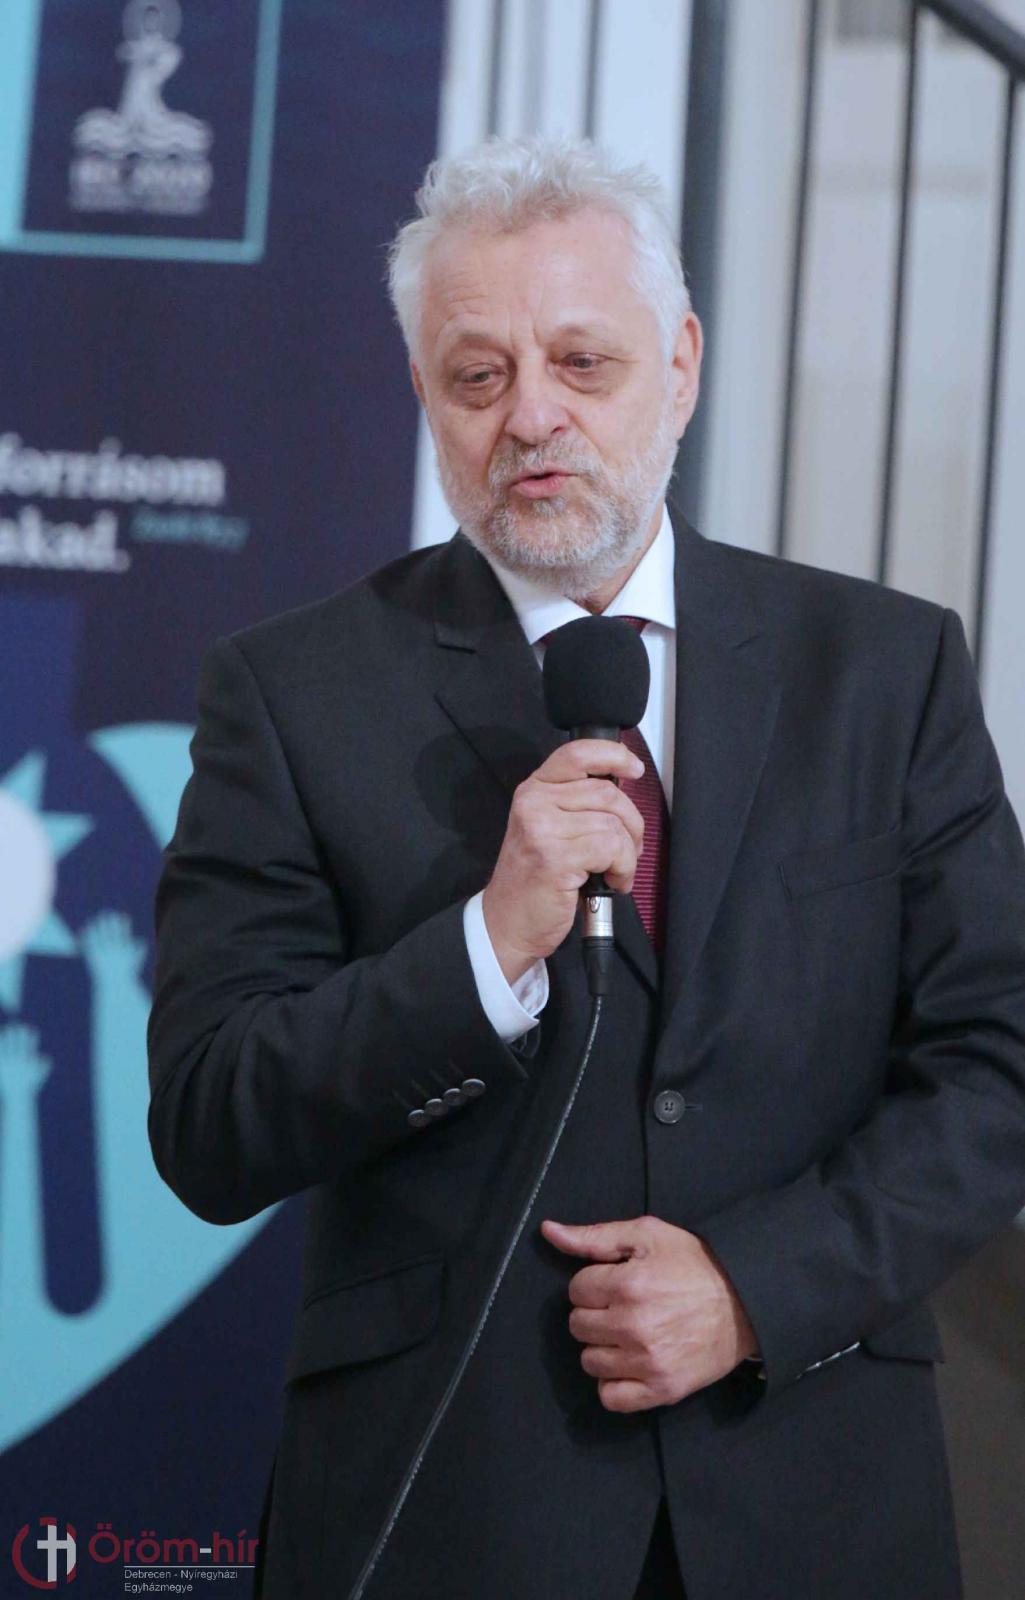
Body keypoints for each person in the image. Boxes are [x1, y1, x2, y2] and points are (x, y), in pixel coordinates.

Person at [147, 135, 1025, 1600]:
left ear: (680, 366)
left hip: (814, 1498)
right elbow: (210, 1121)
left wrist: (754, 1288)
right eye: (477, 377)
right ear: (423, 392)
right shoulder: (290, 694)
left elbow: (999, 1064)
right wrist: (486, 945)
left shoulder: (881, 669)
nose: (531, 417)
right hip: (453, 1505)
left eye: (582, 363)